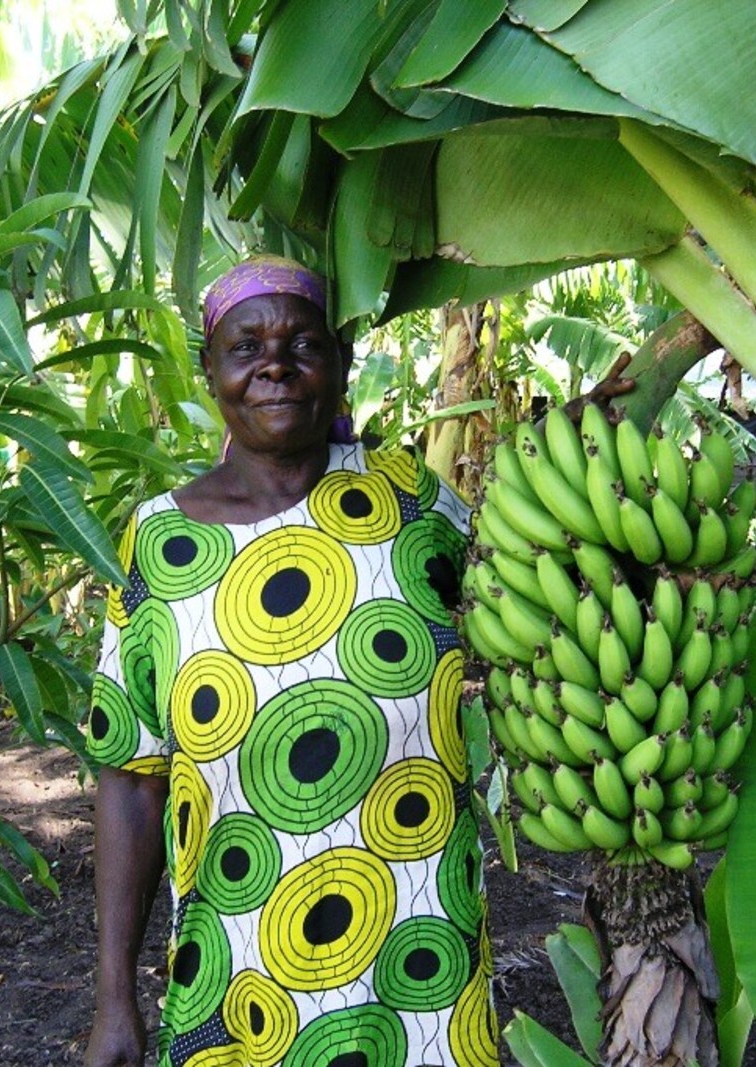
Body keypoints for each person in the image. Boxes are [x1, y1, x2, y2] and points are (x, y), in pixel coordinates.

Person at [82, 256, 499, 1067]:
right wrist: (113, 1001)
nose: (276, 364)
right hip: (239, 976)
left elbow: (523, 585)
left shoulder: (412, 501)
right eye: (247, 347)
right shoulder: (158, 546)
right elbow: (130, 776)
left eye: (303, 343)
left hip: (421, 967)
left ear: (340, 367)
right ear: (210, 370)